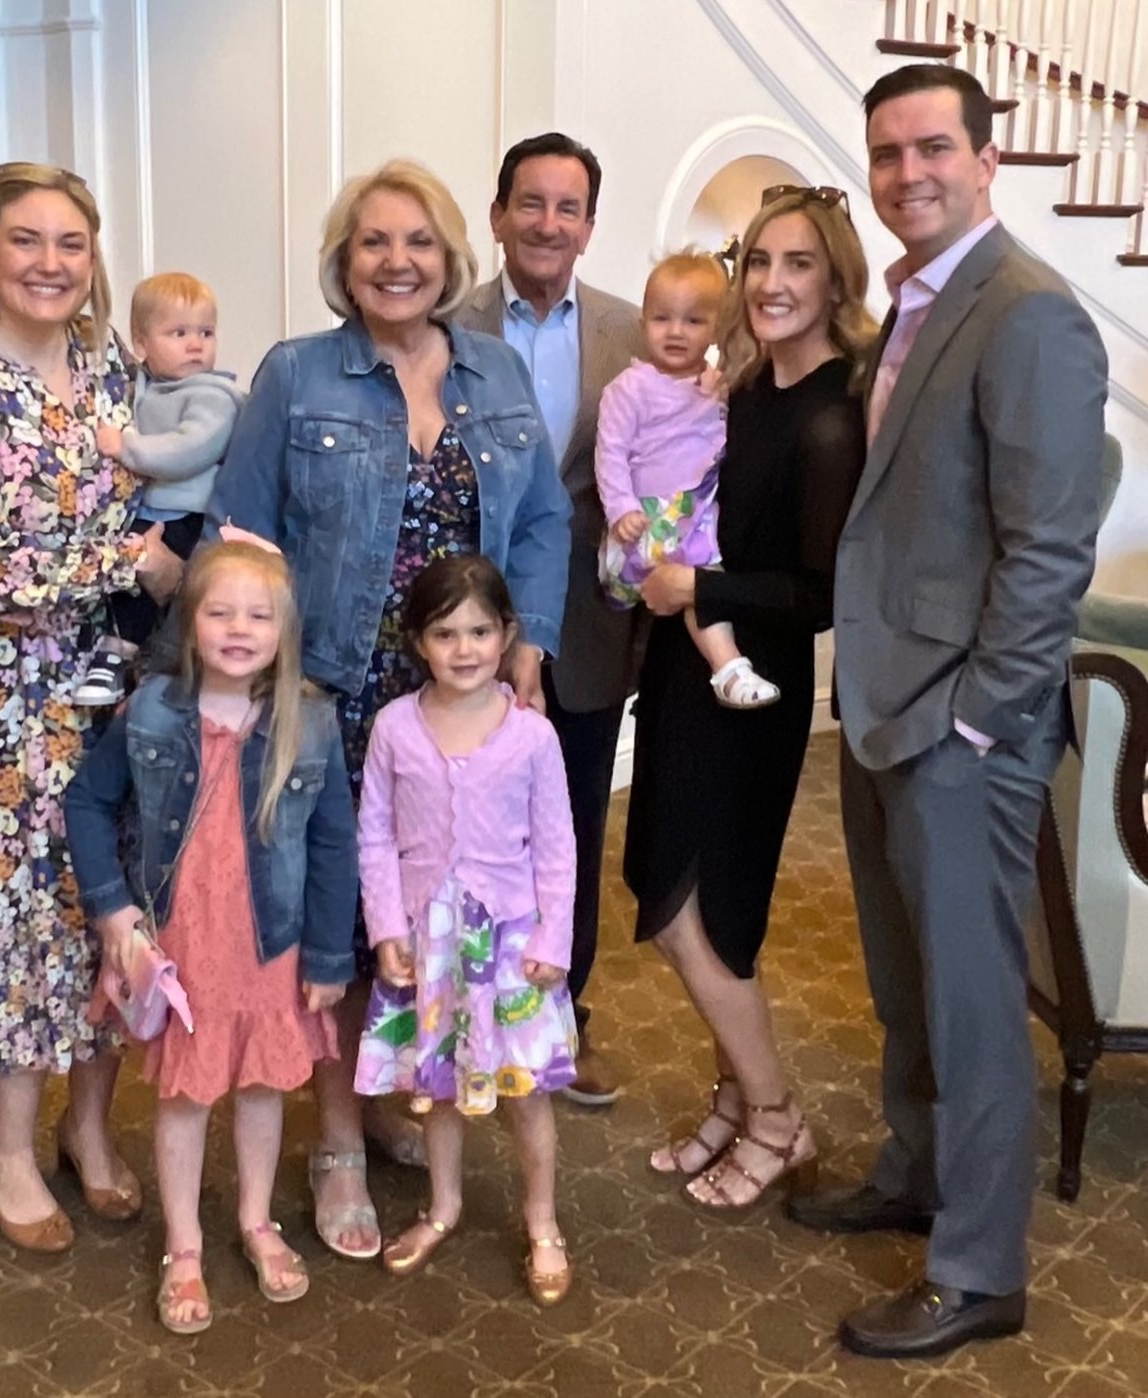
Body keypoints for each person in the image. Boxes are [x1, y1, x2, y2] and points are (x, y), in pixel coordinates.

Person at [787, 66, 1107, 1360]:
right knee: (905, 974)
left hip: (959, 725)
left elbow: (1047, 553)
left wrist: (979, 718)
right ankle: (914, 1169)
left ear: (985, 157)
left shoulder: (1028, 315)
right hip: (884, 702)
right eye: (886, 152)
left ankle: (980, 1268)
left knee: (975, 1004)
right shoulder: (920, 304)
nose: (908, 172)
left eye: (933, 149)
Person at [208, 158, 569, 1260]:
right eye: (373, 242)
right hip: (328, 696)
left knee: (435, 906)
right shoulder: (296, 376)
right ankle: (336, 1145)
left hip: (456, 690)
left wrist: (530, 646)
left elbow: (547, 521)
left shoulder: (499, 374)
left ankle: (403, 1081)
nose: (396, 261)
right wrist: (251, 683)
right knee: (336, 918)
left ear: (451, 258)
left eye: (417, 242)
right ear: (343, 261)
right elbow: (238, 530)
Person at [0, 162, 183, 1253]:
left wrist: (165, 565)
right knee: (23, 914)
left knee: (118, 902)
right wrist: (131, 560)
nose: (51, 263)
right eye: (27, 241)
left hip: (126, 682)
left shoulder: (117, 365)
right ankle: (7, 1145)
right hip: (13, 691)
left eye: (71, 243)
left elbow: (173, 493)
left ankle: (91, 1128)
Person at [624, 186, 873, 1210]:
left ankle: (775, 1115)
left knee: (697, 913)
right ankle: (734, 1096)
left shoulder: (828, 420)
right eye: (758, 261)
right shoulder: (744, 393)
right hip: (686, 672)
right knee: (672, 889)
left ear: (832, 281)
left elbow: (820, 596)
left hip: (753, 692)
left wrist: (700, 589)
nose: (771, 283)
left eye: (798, 264)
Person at [65, 541, 357, 1334]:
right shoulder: (153, 709)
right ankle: (184, 1246)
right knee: (186, 1097)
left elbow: (335, 843)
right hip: (185, 944)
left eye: (258, 615)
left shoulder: (312, 720)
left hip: (272, 944)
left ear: (284, 631)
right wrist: (113, 911)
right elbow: (86, 804)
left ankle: (257, 1220)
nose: (238, 628)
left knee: (262, 1090)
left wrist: (332, 956)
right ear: (190, 624)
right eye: (219, 611)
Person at [454, 133, 645, 1106]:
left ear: (588, 227)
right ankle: (463, 1022)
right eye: (529, 203)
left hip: (589, 623)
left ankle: (565, 1017)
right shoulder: (444, 327)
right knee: (459, 829)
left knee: (565, 826)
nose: (546, 223)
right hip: (463, 628)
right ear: (496, 215)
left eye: (566, 208)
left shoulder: (630, 330)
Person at [355, 555, 578, 1307]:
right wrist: (386, 925)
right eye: (445, 633)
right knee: (436, 1086)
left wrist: (555, 940)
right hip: (429, 946)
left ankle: (542, 1221)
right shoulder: (393, 729)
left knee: (526, 1094)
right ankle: (442, 1207)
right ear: (418, 640)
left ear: (506, 634)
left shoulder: (532, 738)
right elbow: (375, 836)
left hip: (512, 945)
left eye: (480, 631)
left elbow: (556, 847)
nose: (465, 649)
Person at [596, 252, 779, 710]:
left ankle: (727, 668)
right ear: (643, 322)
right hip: (649, 517)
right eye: (662, 318)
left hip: (701, 511)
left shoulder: (719, 386)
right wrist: (621, 508)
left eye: (693, 320)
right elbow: (611, 453)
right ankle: (722, 666)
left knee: (706, 585)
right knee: (694, 586)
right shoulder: (629, 388)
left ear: (717, 327)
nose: (675, 331)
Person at [81, 272, 246, 703]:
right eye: (179, 333)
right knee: (119, 577)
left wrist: (127, 448)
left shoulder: (213, 394)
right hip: (151, 510)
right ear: (141, 345)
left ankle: (119, 655)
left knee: (146, 585)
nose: (196, 344)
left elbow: (188, 450)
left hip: (188, 515)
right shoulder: (146, 387)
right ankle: (116, 655)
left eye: (205, 333)